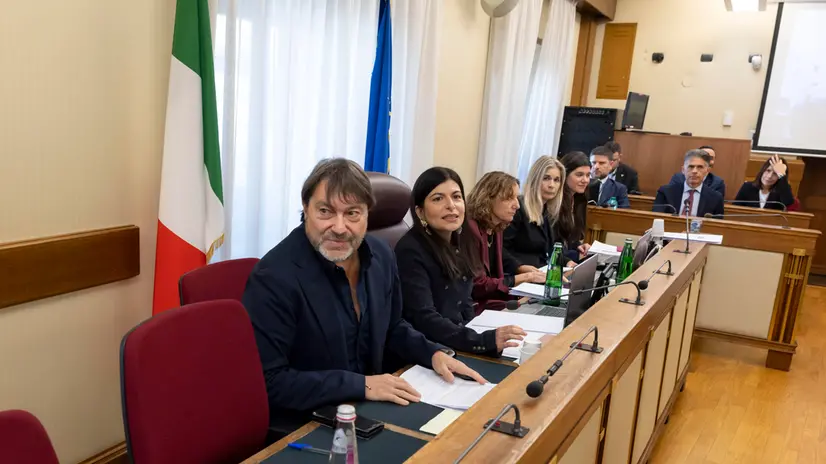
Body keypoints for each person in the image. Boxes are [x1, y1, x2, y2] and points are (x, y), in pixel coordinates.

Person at [242, 158, 486, 435]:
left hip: (372, 410)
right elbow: (269, 381)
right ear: (306, 208)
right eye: (325, 211)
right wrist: (362, 385)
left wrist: (432, 353)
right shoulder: (274, 277)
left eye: (352, 213)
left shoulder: (381, 255)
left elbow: (393, 327)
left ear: (368, 214)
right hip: (309, 424)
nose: (339, 227)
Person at [395, 167, 526, 356]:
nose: (451, 205)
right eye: (438, 199)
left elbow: (465, 301)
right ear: (420, 211)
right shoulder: (410, 250)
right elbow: (424, 319)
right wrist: (480, 342)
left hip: (457, 342)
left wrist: (476, 333)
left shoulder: (461, 239)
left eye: (456, 197)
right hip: (429, 352)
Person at [466, 171, 546, 310]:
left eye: (516, 197)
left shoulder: (496, 226)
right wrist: (525, 277)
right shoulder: (470, 230)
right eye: (509, 198)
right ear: (488, 198)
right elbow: (477, 286)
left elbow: (501, 257)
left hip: (492, 301)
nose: (517, 205)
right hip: (474, 307)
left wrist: (520, 268)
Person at [504, 156, 566, 270]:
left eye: (556, 180)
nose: (551, 185)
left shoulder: (547, 211)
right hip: (519, 274)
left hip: (541, 272)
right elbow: (502, 250)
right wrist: (520, 267)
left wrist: (567, 261)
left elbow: (548, 251)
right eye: (546, 178)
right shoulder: (518, 208)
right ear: (535, 179)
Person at [654, 149, 724, 217]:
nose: (694, 171)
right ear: (683, 170)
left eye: (700, 167)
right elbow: (656, 217)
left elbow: (716, 223)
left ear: (707, 171)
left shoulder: (716, 198)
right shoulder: (666, 192)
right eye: (691, 167)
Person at [556, 151, 592, 265]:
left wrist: (579, 246)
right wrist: (576, 255)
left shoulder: (578, 200)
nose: (585, 180)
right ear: (565, 175)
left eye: (588, 175)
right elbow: (554, 245)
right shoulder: (555, 202)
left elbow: (569, 239)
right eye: (579, 175)